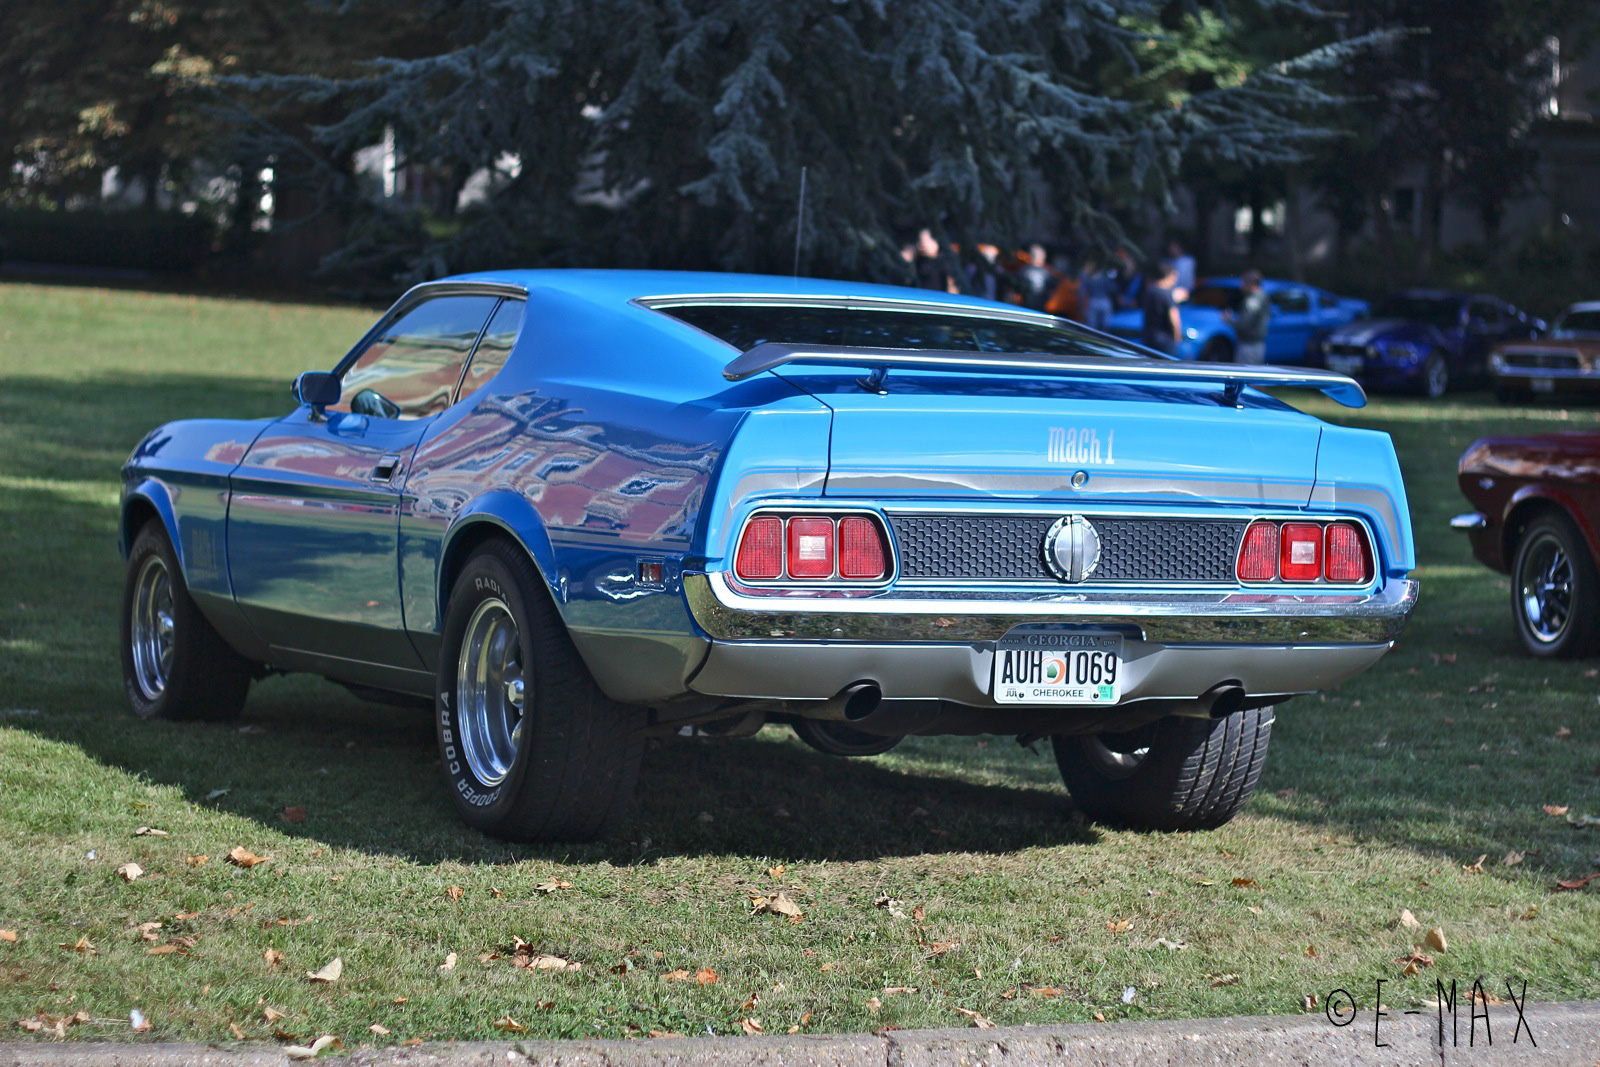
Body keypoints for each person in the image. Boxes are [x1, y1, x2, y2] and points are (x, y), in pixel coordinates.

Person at [1140, 260, 1183, 356]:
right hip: (1165, 337)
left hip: (1149, 335)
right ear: (1169, 275)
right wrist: (1177, 335)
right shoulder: (1167, 294)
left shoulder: (1150, 290)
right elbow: (1173, 316)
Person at [1229, 270, 1270, 364]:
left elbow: (1245, 323)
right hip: (1258, 344)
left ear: (1251, 284)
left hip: (1249, 345)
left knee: (1244, 373)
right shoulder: (1263, 296)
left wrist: (1229, 320)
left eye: (1243, 283)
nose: (1241, 286)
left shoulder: (1253, 299)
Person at [1080, 253, 1116, 332]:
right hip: (1094, 301)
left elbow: (1112, 288)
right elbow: (1083, 291)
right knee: (1092, 326)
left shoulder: (1106, 275)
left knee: (1105, 326)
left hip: (1104, 301)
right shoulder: (1087, 276)